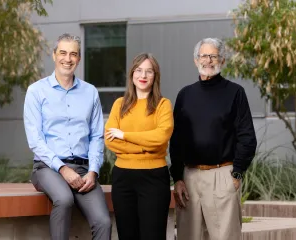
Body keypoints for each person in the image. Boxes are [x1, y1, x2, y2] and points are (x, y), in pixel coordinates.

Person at [23, 33, 111, 240]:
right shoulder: (36, 91)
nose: (67, 58)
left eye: (73, 54)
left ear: (79, 59)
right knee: (64, 199)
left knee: (103, 222)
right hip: (47, 167)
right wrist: (62, 169)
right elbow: (35, 140)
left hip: (83, 170)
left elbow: (97, 136)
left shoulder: (90, 92)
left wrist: (93, 171)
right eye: (63, 53)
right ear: (54, 55)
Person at [169, 38, 257, 240]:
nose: (208, 60)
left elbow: (247, 137)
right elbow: (176, 140)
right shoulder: (185, 95)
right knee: (188, 236)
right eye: (203, 55)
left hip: (222, 175)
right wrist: (178, 178)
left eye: (213, 56)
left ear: (222, 60)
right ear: (195, 60)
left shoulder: (235, 93)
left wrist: (236, 173)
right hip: (189, 178)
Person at [104, 53, 173, 240]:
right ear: (132, 74)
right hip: (123, 178)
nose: (143, 75)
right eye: (139, 70)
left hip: (154, 179)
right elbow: (110, 140)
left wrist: (125, 136)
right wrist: (146, 147)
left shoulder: (163, 105)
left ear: (155, 76)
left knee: (153, 235)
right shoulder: (120, 104)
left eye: (149, 71)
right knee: (127, 235)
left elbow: (160, 137)